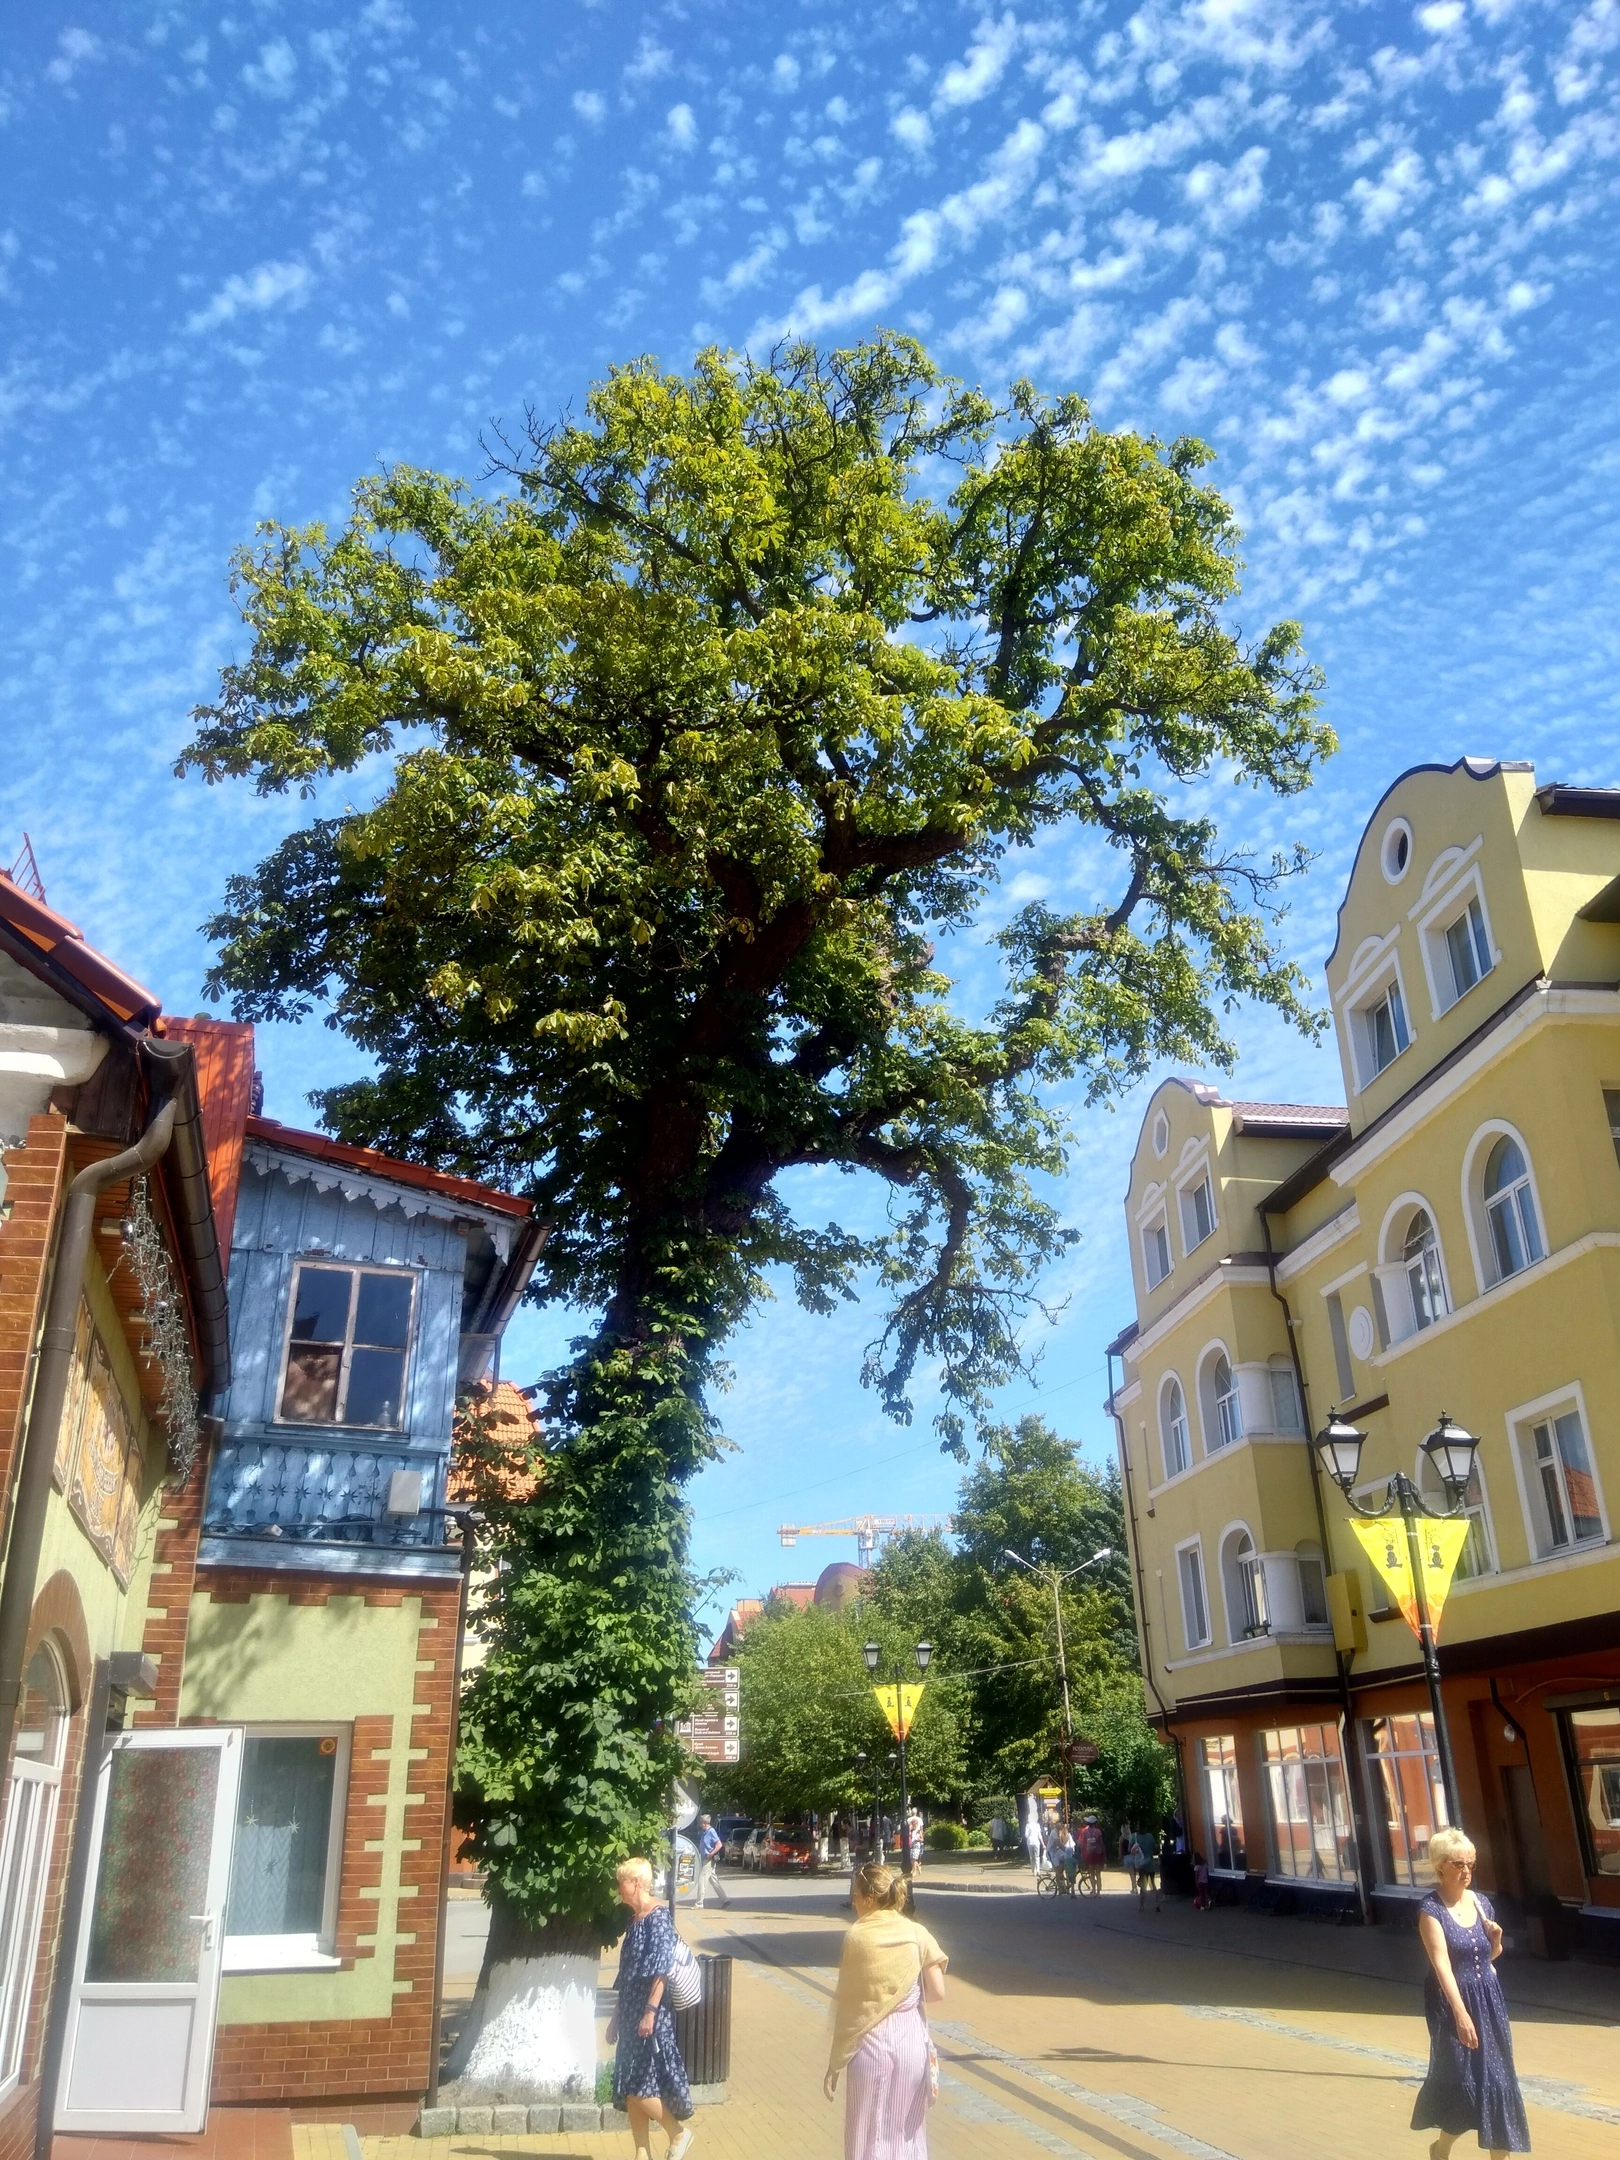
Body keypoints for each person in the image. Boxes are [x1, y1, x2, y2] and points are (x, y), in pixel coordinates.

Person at [1411, 1827, 1531, 2157]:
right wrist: (1461, 2015)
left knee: (1499, 2079)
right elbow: (1442, 1965)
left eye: (1471, 1864)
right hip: (1451, 2003)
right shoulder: (1431, 1910)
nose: (1466, 1871)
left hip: (1488, 1998)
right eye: (1459, 1864)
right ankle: (1441, 2147)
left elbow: (1488, 1957)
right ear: (1440, 1866)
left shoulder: (1481, 1903)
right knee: (1466, 2084)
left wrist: (1495, 1940)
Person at [824, 1861, 948, 2159]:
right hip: (910, 2044)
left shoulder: (857, 1936)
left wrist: (835, 2063)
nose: (852, 1901)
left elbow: (850, 2005)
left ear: (869, 1898)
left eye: (855, 1894)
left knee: (865, 2135)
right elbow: (937, 1992)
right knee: (908, 2132)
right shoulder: (917, 1933)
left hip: (869, 2046)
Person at [605, 1857, 695, 2160]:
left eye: (622, 1881)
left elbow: (662, 1970)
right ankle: (642, 2153)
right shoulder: (635, 1920)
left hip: (649, 2016)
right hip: (631, 2014)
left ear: (638, 1884)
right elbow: (627, 1975)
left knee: (640, 2087)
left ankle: (677, 2133)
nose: (619, 1888)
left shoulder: (657, 1917)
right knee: (631, 2087)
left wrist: (650, 2012)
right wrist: (615, 2019)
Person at [695, 1814, 727, 1909]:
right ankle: (725, 1899)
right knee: (713, 1880)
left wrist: (711, 1854)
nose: (700, 1825)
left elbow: (719, 1844)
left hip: (708, 1860)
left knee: (702, 1881)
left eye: (701, 1823)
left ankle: (699, 1903)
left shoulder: (711, 1831)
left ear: (705, 1823)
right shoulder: (704, 1832)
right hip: (704, 1858)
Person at [1132, 1824, 1161, 1912]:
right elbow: (1154, 1848)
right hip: (1150, 1863)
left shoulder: (1134, 1837)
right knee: (1153, 1884)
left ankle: (1141, 1905)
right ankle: (1157, 1904)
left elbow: (1130, 1850)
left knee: (1143, 1886)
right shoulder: (1150, 1836)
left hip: (1141, 1865)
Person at [1077, 1814, 1106, 1894]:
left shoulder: (1085, 1832)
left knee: (1091, 1873)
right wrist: (1104, 1854)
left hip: (1089, 1854)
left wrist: (1082, 1854)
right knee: (1098, 1873)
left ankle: (1093, 1889)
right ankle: (1098, 1891)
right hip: (1098, 1854)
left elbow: (1083, 1844)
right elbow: (1101, 1843)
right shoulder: (1098, 1832)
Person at [1022, 1793, 1045, 1884]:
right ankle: (1038, 1870)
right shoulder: (1037, 1825)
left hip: (1030, 1842)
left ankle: (1034, 1870)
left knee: (1032, 1857)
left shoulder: (1028, 1825)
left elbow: (1026, 1835)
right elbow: (1040, 1835)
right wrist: (1043, 1844)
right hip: (1037, 1842)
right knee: (1037, 1856)